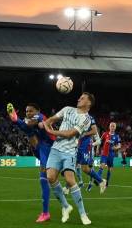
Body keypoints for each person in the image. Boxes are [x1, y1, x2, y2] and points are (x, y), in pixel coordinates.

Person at [43, 92, 95, 225]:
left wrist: (52, 132)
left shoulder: (86, 119)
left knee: (69, 179)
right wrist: (47, 124)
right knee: (50, 177)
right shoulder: (67, 109)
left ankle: (83, 214)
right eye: (79, 97)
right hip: (56, 149)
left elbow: (70, 133)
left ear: (88, 103)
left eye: (82, 98)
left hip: (70, 151)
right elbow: (51, 119)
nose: (79, 99)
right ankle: (66, 206)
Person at [7, 102, 55, 223]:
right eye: (26, 111)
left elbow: (28, 123)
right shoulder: (33, 121)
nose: (28, 113)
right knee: (51, 180)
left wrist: (17, 119)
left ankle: (45, 213)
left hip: (49, 150)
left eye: (30, 111)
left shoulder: (40, 117)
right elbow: (26, 126)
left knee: (44, 179)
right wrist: (16, 120)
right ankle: (63, 206)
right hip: (40, 150)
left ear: (37, 111)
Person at [97, 122, 121, 186]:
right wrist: (97, 149)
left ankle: (107, 182)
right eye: (111, 126)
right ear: (109, 127)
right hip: (104, 153)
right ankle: (97, 180)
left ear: (115, 128)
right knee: (101, 165)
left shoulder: (116, 136)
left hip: (111, 154)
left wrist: (115, 148)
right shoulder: (105, 134)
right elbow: (99, 141)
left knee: (110, 168)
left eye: (113, 126)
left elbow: (119, 146)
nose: (112, 127)